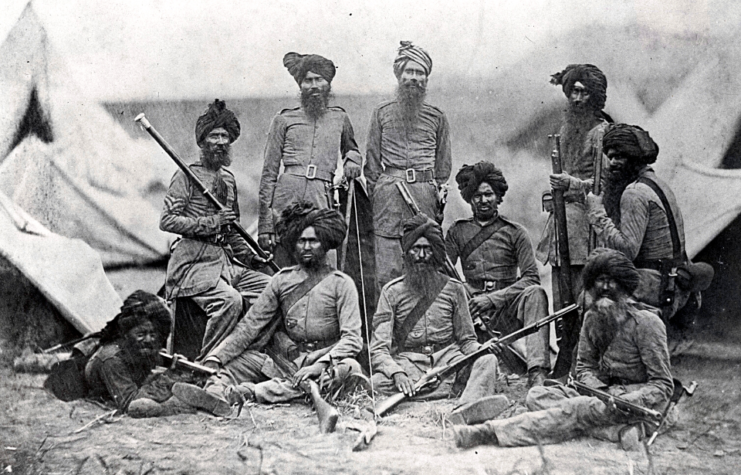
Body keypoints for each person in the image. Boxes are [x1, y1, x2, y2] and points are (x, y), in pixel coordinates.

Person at [454, 249, 674, 450]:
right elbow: (584, 367)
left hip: (637, 402)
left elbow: (663, 385)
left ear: (625, 287)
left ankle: (489, 433)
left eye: (612, 282)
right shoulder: (591, 318)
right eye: (600, 281)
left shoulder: (647, 323)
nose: (605, 288)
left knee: (576, 408)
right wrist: (600, 391)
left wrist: (628, 398)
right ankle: (615, 431)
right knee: (536, 395)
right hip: (603, 396)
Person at [185, 202, 364, 407]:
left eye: (313, 241)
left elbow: (352, 340)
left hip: (325, 363)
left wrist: (319, 365)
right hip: (285, 363)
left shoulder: (342, 284)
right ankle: (215, 395)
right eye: (301, 241)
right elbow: (249, 327)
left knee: (350, 368)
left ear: (324, 243)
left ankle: (250, 393)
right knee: (232, 365)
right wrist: (215, 358)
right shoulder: (281, 280)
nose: (306, 247)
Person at [160, 99, 271, 360]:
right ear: (202, 142)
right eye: (214, 135)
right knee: (229, 301)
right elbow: (167, 220)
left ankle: (245, 354)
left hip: (226, 263)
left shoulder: (230, 180)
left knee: (271, 289)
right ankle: (208, 362)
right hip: (194, 264)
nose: (221, 142)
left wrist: (251, 257)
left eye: (225, 136)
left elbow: (233, 231)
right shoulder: (186, 176)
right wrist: (211, 222)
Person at [370, 214, 501, 423]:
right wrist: (397, 373)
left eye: (427, 249)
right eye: (415, 248)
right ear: (406, 253)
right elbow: (378, 349)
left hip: (450, 363)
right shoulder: (391, 292)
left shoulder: (454, 289)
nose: (421, 255)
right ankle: (448, 391)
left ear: (436, 252)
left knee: (488, 361)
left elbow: (467, 340)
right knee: (374, 383)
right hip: (409, 367)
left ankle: (465, 409)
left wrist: (481, 349)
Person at [586, 124, 711, 322]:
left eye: (620, 156)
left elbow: (628, 250)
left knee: (588, 299)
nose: (612, 164)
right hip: (674, 284)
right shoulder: (657, 183)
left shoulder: (634, 193)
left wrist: (597, 213)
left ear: (636, 158)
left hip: (656, 289)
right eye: (610, 157)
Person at [536, 64, 612, 375]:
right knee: (560, 295)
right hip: (561, 227)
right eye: (574, 91)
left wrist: (572, 184)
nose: (578, 98)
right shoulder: (567, 131)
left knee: (584, 296)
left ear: (595, 96)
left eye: (584, 92)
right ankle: (563, 358)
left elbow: (605, 186)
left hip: (586, 228)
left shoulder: (601, 133)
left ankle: (585, 361)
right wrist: (551, 193)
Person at [446, 162, 550, 387]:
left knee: (535, 293)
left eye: (488, 194)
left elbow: (531, 277)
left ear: (498, 196)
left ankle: (537, 371)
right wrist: (466, 295)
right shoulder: (457, 232)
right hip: (471, 307)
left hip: (507, 308)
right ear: (469, 198)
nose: (483, 201)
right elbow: (444, 275)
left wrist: (492, 299)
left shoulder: (516, 233)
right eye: (477, 196)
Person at [258, 52, 362, 266]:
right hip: (286, 196)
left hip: (320, 196)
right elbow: (269, 174)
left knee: (321, 257)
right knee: (283, 261)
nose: (314, 85)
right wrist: (265, 225)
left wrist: (352, 160)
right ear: (300, 85)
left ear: (328, 84)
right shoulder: (283, 119)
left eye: (319, 79)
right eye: (308, 80)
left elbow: (352, 149)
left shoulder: (340, 118)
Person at [364, 41, 452, 294]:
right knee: (388, 271)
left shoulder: (437, 116)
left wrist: (432, 193)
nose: (414, 78)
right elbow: (371, 163)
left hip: (424, 196)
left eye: (420, 73)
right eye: (409, 72)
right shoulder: (381, 112)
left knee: (424, 263)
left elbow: (443, 165)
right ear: (399, 75)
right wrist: (381, 192)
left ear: (426, 78)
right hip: (388, 198)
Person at [84, 291, 197, 417]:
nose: (149, 340)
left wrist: (177, 365)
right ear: (126, 334)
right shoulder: (111, 360)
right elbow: (132, 404)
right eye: (141, 335)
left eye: (153, 335)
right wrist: (170, 376)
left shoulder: (140, 349)